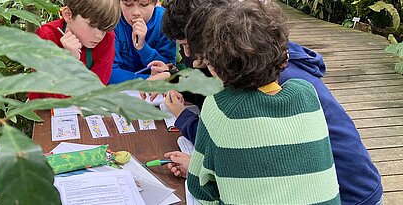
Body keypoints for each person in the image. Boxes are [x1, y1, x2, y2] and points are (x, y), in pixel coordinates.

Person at [161, 0, 383, 204]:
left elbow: (227, 158)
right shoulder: (292, 84)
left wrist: (202, 167)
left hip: (352, 196)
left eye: (192, 48)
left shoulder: (263, 90)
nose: (191, 56)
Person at [28, 0, 120, 100]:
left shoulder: (107, 38)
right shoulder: (46, 38)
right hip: (45, 110)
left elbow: (97, 89)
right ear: (68, 15)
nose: (99, 36)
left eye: (104, 29)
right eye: (93, 26)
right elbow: (53, 98)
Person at [108, 0, 176, 84]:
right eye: (128, 5)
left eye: (144, 5)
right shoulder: (113, 21)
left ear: (156, 3)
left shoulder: (164, 21)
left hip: (156, 93)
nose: (136, 12)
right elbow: (110, 73)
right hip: (122, 91)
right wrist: (148, 81)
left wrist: (142, 48)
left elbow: (168, 68)